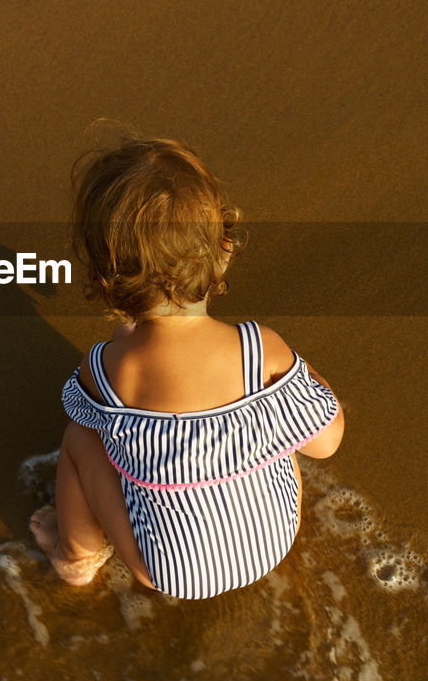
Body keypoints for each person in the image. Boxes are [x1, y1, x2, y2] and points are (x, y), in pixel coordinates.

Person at [30, 135, 345, 599]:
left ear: (104, 277)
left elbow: (86, 414)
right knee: (279, 414)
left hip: (172, 574)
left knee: (80, 439)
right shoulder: (259, 348)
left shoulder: (107, 368)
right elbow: (326, 442)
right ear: (223, 247)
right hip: (273, 542)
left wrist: (125, 354)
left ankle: (75, 555)